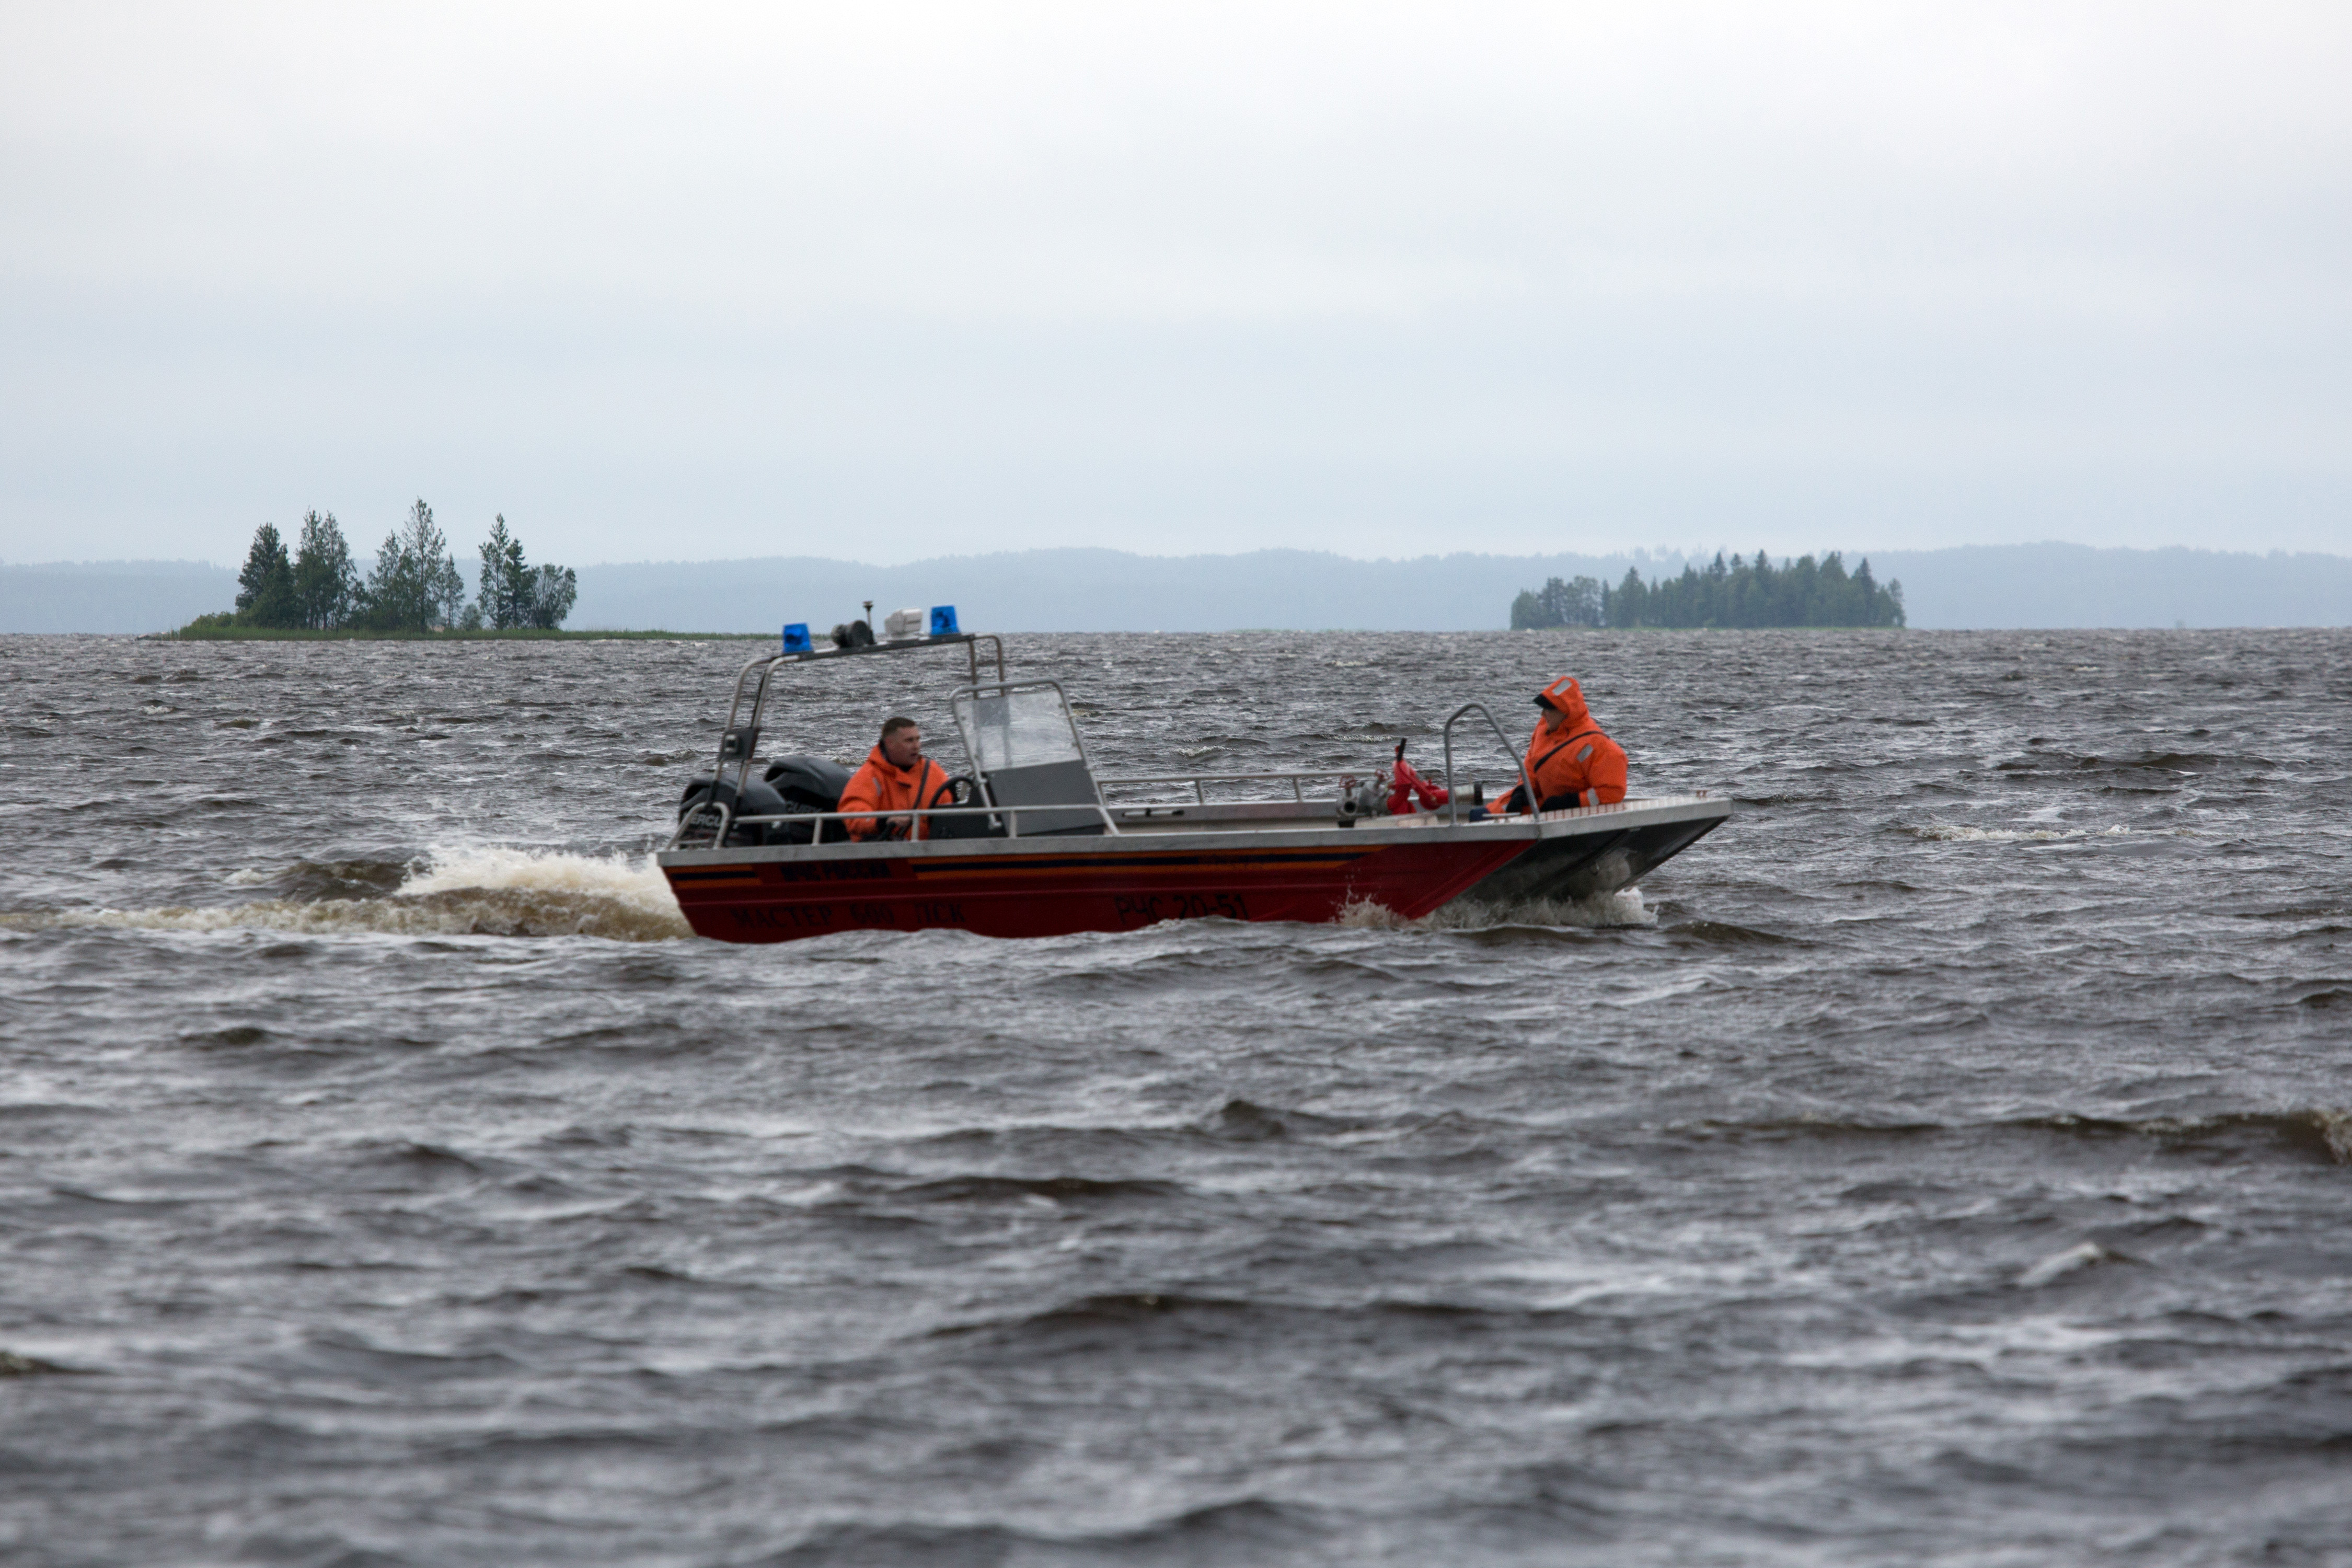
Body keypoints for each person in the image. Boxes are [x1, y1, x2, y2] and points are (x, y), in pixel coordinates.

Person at [1490, 675, 1628, 815]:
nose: (1543, 714)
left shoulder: (1600, 747)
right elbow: (1531, 767)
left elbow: (1611, 793)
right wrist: (1523, 790)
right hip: (1540, 807)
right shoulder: (1544, 731)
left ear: (1565, 711)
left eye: (1548, 709)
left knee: (1484, 820)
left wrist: (1571, 802)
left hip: (1573, 816)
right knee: (1479, 815)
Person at [839, 716, 952, 840]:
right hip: (886, 853)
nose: (916, 746)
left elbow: (950, 810)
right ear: (890, 744)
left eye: (918, 740)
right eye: (909, 741)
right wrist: (884, 821)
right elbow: (853, 816)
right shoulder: (869, 776)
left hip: (930, 851)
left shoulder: (932, 771)